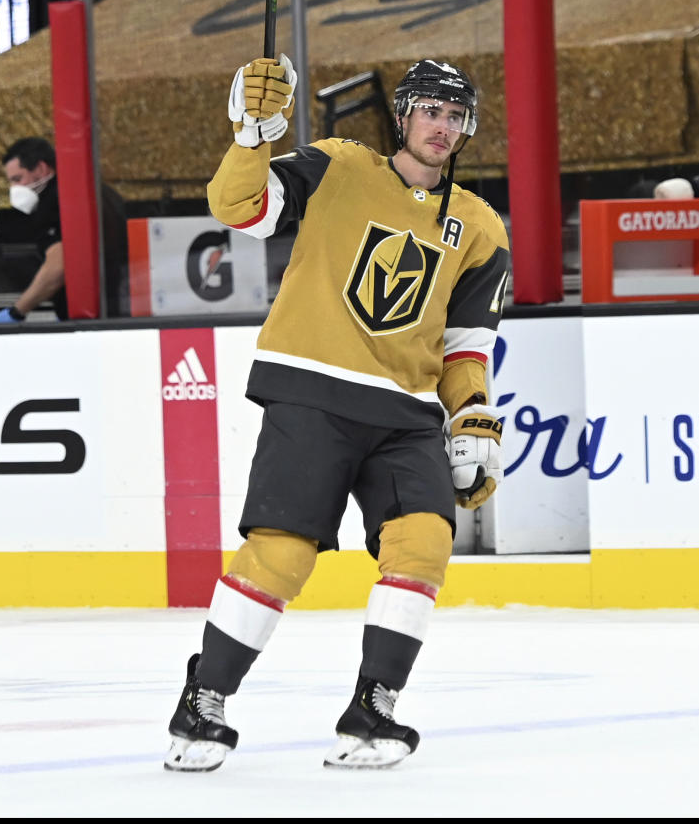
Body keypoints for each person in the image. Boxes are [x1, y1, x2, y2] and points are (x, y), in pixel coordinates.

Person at [164, 55, 511, 772]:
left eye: (455, 117)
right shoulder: (339, 166)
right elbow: (240, 207)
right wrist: (251, 136)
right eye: (430, 111)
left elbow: (464, 349)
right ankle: (203, 700)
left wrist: (472, 414)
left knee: (422, 544)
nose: (442, 128)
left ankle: (373, 706)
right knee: (283, 554)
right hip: (313, 393)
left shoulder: (479, 226)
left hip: (407, 412)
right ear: (403, 115)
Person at [0, 136, 128, 323]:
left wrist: (17, 311)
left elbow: (60, 265)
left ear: (41, 169)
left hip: (85, 316)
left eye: (18, 179)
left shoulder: (55, 201)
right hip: (119, 308)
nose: (14, 188)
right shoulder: (100, 192)